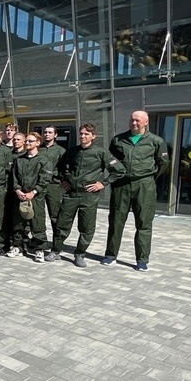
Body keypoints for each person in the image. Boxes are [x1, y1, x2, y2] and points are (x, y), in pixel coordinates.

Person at [47, 124, 125, 268]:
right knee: (61, 224)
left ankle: (80, 254)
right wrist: (63, 181)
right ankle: (56, 251)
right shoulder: (71, 151)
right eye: (81, 134)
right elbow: (59, 167)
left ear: (93, 136)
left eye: (86, 134)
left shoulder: (101, 153)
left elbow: (119, 170)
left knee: (86, 227)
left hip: (89, 196)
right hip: (71, 195)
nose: (83, 136)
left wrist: (103, 183)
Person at [102, 110, 169, 271]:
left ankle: (142, 260)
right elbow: (111, 161)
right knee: (116, 221)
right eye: (132, 120)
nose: (134, 123)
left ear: (146, 122)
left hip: (144, 185)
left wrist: (149, 178)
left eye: (138, 121)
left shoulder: (156, 141)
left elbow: (163, 163)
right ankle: (111, 255)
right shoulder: (118, 140)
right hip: (121, 185)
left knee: (144, 223)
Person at [7, 132, 53, 263]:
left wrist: (33, 192)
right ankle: (18, 247)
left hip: (35, 197)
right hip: (20, 196)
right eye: (26, 141)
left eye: (30, 141)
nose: (27, 143)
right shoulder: (19, 160)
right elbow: (14, 178)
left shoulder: (44, 160)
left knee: (37, 224)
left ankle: (39, 250)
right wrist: (17, 190)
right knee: (18, 223)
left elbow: (45, 179)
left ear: (38, 143)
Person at [38, 125, 65, 243]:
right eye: (45, 132)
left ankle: (57, 243)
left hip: (53, 185)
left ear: (55, 135)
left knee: (55, 215)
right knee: (37, 215)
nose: (47, 134)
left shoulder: (61, 151)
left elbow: (64, 168)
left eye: (50, 132)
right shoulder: (38, 149)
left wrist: (53, 175)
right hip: (38, 185)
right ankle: (38, 240)